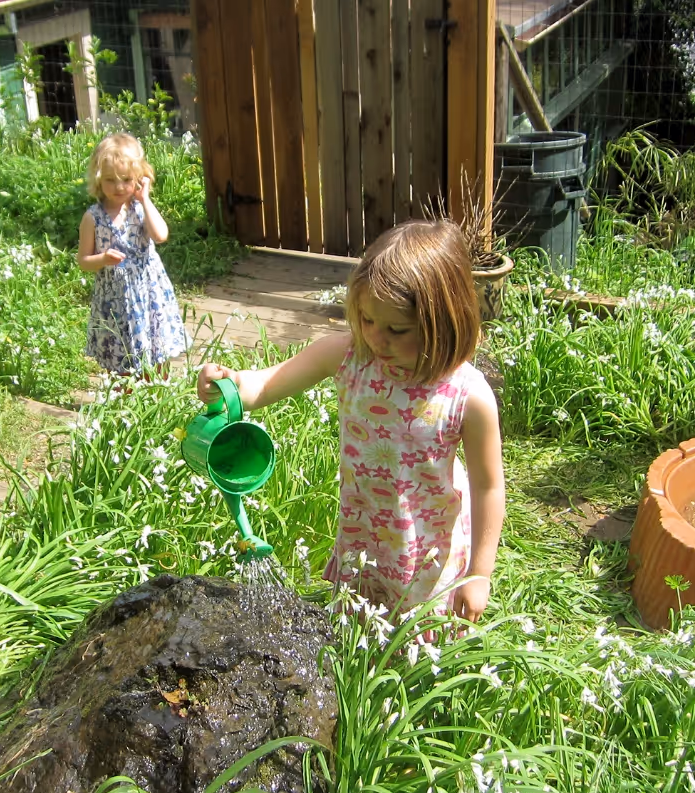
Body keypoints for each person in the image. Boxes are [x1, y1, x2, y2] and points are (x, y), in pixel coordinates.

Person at [196, 219, 506, 625]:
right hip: (363, 532)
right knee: (358, 630)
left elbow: (488, 486)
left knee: (416, 643)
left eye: (397, 329)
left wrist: (480, 573)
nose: (377, 338)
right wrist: (227, 385)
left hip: (426, 551)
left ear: (443, 322)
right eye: (366, 319)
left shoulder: (467, 395)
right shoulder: (348, 356)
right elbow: (268, 383)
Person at [77, 132, 187, 378]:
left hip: (148, 293)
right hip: (114, 300)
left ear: (139, 177)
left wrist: (145, 199)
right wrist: (103, 259)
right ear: (98, 179)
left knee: (156, 351)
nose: (118, 187)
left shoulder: (140, 209)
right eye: (110, 180)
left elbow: (160, 235)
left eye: (126, 179)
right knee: (120, 356)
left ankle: (157, 392)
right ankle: (123, 394)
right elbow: (83, 261)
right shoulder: (93, 217)